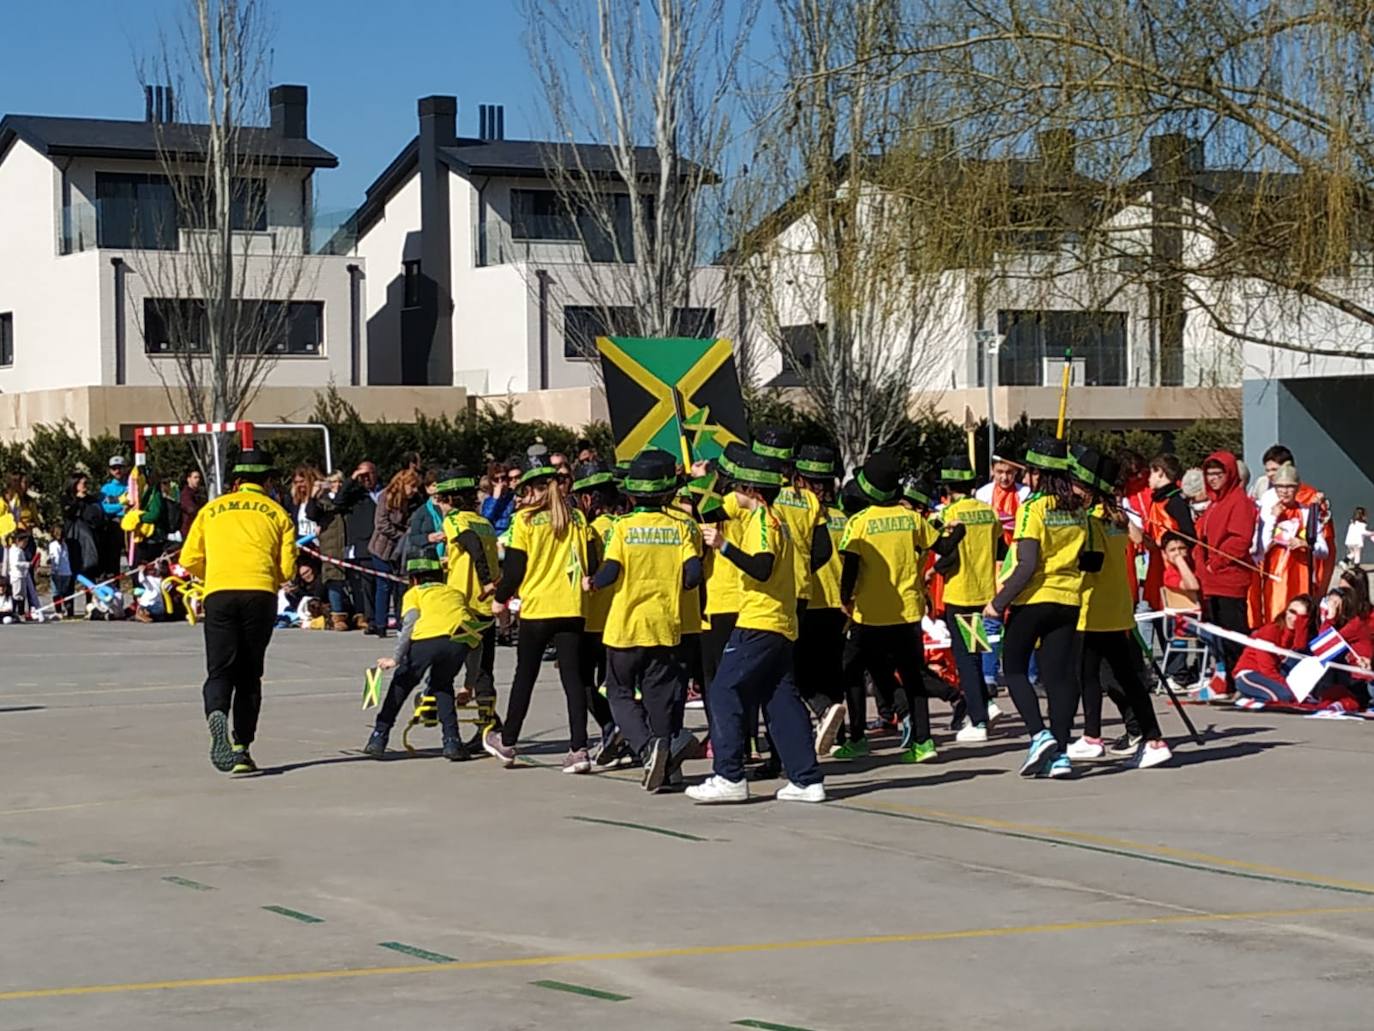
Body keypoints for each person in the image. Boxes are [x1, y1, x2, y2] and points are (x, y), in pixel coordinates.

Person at [687, 444, 825, 804]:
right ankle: (806, 778)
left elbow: (762, 567)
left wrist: (724, 546)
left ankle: (729, 775)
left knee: (723, 690)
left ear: (750, 490)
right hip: (780, 621)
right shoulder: (766, 517)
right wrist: (703, 483)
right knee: (779, 698)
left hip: (760, 620)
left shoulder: (764, 521)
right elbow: (714, 507)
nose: (731, 491)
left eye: (735, 487)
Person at [583, 450, 702, 791]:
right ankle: (668, 767)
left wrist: (592, 582)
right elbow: (693, 575)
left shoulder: (622, 527)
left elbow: (611, 571)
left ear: (632, 493)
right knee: (660, 698)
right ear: (668, 493)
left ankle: (649, 749)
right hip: (666, 625)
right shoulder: (682, 527)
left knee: (619, 693)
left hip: (625, 626)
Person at [179, 449, 297, 774]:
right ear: (268, 481)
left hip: (219, 591)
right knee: (249, 674)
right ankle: (242, 747)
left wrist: (214, 572)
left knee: (219, 671)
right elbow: (286, 569)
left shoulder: (211, 509)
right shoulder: (278, 513)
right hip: (259, 592)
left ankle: (216, 711)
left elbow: (188, 559)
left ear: (236, 481)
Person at [984, 436, 1093, 779]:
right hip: (1069, 600)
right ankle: (1060, 754)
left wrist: (997, 603)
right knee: (1059, 679)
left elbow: (1027, 563)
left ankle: (1038, 733)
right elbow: (1092, 558)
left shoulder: (1033, 508)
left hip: (1033, 599)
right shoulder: (1079, 508)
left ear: (1037, 473)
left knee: (1014, 668)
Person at [830, 452, 950, 764]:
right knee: (912, 676)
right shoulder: (912, 520)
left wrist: (845, 598)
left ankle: (857, 737)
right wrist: (958, 532)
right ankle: (924, 742)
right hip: (908, 612)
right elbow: (942, 547)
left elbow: (851, 568)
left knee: (852, 671)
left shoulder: (859, 523)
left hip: (869, 615)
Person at [483, 453, 595, 773]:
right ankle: (579, 748)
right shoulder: (576, 518)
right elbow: (589, 560)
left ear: (535, 488)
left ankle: (508, 740)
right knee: (572, 679)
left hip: (538, 607)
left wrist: (500, 599)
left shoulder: (525, 521)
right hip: (572, 606)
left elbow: (516, 569)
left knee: (525, 676)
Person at [1067, 449, 1172, 768]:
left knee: (1088, 676)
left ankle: (1092, 736)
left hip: (1094, 607)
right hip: (1118, 605)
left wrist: (1066, 561)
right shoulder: (1119, 516)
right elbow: (1134, 540)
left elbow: (1092, 560)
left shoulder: (1092, 518)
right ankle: (1153, 739)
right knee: (1126, 677)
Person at [363, 556, 482, 761]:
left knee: (401, 684)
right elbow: (475, 643)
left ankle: (379, 736)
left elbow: (409, 623)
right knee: (443, 686)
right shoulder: (455, 593)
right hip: (458, 641)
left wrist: (396, 658)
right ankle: (452, 741)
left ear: (415, 579)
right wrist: (469, 684)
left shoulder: (415, 593)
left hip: (426, 641)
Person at [933, 454, 1004, 744]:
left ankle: (978, 721)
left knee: (965, 660)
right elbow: (1000, 548)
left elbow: (943, 551)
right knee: (975, 656)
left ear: (948, 488)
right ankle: (984, 707)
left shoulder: (949, 515)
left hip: (960, 593)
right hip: (984, 592)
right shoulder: (989, 512)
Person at [791, 444, 849, 754]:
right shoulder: (842, 517)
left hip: (808, 600)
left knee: (800, 673)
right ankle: (837, 735)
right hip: (839, 604)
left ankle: (824, 711)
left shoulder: (801, 514)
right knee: (831, 670)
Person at [571, 460, 625, 764]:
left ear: (589, 498)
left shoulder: (590, 531)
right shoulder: (625, 525)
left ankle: (611, 728)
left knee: (583, 680)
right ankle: (621, 731)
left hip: (594, 617)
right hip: (620, 616)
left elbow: (586, 571)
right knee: (615, 681)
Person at [1194, 451, 1259, 702]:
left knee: (1234, 634)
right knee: (1220, 636)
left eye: (1218, 474)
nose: (1212, 479)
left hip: (1229, 579)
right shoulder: (1214, 503)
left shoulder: (1239, 502)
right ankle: (1228, 682)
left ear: (1229, 474)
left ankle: (1242, 682)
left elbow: (1239, 540)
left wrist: (1215, 563)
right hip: (1211, 581)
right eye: (1209, 474)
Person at [436, 468, 501, 709]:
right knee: (484, 667)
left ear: (452, 500)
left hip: (465, 604)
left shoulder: (454, 520)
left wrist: (483, 579)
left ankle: (444, 711)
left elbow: (472, 545)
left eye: (442, 500)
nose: (440, 505)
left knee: (449, 659)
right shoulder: (484, 522)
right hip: (486, 606)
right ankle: (489, 725)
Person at [368, 469, 422, 637]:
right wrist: (402, 535)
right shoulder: (386, 497)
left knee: (401, 587)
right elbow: (381, 523)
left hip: (403, 551)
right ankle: (380, 624)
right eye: (411, 486)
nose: (414, 491)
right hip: (382, 548)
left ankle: (401, 623)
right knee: (384, 586)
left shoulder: (415, 501)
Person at [46, 523, 73, 617]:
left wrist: (53, 568)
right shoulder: (65, 544)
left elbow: (55, 558)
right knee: (65, 592)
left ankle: (58, 611)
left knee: (56, 592)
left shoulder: (53, 545)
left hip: (58, 571)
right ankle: (68, 609)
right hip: (67, 572)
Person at [179, 469, 206, 539]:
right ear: (189, 479)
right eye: (195, 477)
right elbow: (190, 509)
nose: (198, 480)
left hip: (198, 528)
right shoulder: (186, 494)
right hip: (188, 530)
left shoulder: (199, 493)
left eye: (199, 477)